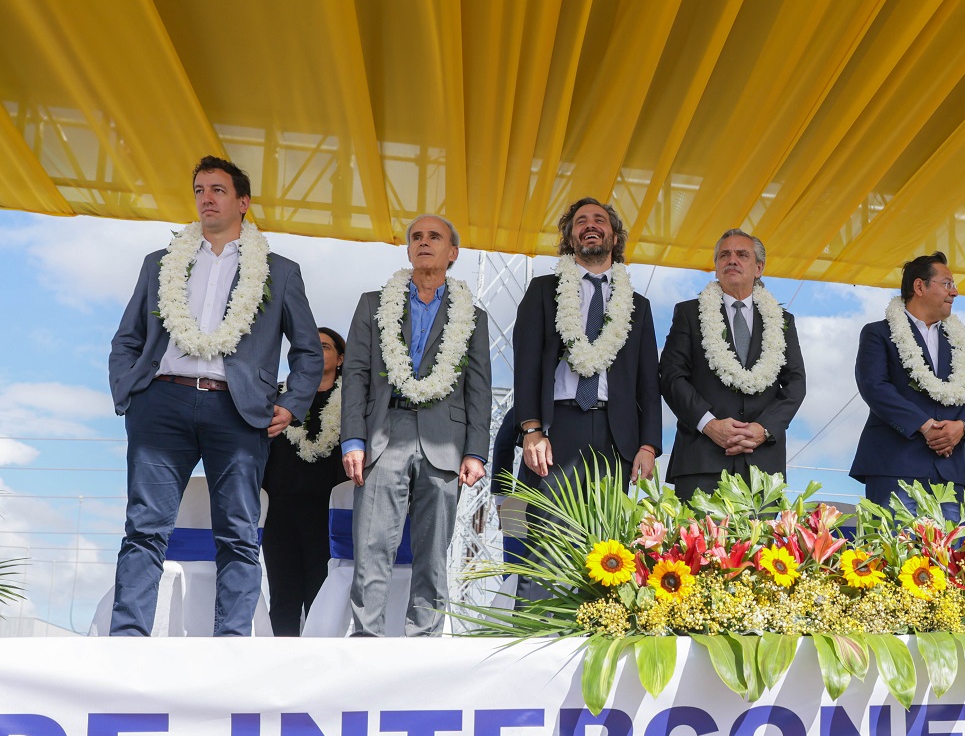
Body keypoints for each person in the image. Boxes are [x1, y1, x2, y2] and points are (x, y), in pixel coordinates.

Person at [108, 154, 322, 636]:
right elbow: (128, 338)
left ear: (243, 203)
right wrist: (130, 392)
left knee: (240, 532)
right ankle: (126, 639)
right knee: (145, 527)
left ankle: (230, 642)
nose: (206, 198)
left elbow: (308, 351)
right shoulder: (159, 264)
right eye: (200, 189)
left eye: (218, 190)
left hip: (238, 411)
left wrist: (290, 405)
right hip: (162, 403)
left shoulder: (279, 271)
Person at [339, 214, 491, 636]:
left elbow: (480, 387)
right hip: (384, 436)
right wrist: (352, 439)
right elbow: (354, 375)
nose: (424, 242)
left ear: (452, 253)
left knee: (432, 557)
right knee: (371, 549)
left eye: (435, 236)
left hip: (445, 443)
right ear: (408, 250)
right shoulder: (374, 304)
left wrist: (476, 452)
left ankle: (422, 645)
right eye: (417, 237)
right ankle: (366, 642)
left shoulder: (472, 316)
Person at [512, 197, 661, 494]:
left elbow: (648, 381)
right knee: (549, 536)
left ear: (614, 237)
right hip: (555, 430)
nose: (590, 225)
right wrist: (531, 430)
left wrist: (648, 445)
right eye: (580, 221)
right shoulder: (543, 291)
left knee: (604, 539)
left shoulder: (637, 305)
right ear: (570, 238)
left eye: (599, 220)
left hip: (616, 434)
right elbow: (526, 366)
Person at [659, 229, 807, 499]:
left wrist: (763, 429)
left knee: (761, 543)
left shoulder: (782, 320)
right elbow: (671, 376)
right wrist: (709, 425)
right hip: (701, 461)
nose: (732, 260)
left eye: (742, 255)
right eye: (724, 255)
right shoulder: (689, 313)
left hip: (763, 466)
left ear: (758, 267)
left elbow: (796, 383)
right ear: (716, 268)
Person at [850, 251, 965, 519]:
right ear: (920, 286)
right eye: (947, 283)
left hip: (950, 469)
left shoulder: (958, 341)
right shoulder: (878, 332)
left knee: (949, 557)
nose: (955, 292)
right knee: (894, 556)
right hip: (896, 464)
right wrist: (925, 427)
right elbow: (874, 386)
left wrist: (962, 428)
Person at [262, 326, 347, 636]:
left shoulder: (352, 400)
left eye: (324, 347)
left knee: (319, 594)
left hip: (327, 512)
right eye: (311, 346)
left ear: (340, 358)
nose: (317, 351)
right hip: (279, 508)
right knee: (283, 595)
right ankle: (279, 666)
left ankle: (317, 666)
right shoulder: (278, 395)